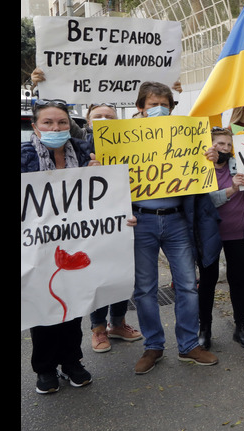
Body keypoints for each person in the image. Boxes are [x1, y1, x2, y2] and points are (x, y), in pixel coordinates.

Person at [129, 82, 221, 374]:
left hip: (178, 219)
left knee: (186, 285)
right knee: (144, 289)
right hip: (140, 220)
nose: (159, 109)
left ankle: (188, 345)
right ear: (141, 108)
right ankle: (153, 346)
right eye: (153, 104)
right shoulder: (125, 140)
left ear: (171, 108)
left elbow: (203, 178)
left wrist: (211, 160)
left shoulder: (187, 136)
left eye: (165, 105)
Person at [23, 99, 101, 393]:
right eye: (48, 123)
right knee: (43, 306)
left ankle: (71, 362)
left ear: (71, 127)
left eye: (62, 123)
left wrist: (100, 173)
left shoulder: (84, 153)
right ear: (35, 126)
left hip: (77, 239)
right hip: (38, 245)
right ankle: (44, 368)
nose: (55, 128)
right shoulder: (24, 156)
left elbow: (106, 194)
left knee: (72, 303)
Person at [83, 103, 143, 353]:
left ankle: (118, 323)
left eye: (109, 116)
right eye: (98, 117)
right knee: (97, 275)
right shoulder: (79, 148)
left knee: (121, 273)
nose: (104, 120)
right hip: (91, 225)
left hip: (124, 220)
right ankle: (98, 329)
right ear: (88, 122)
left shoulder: (129, 145)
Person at [198, 127, 244, 350]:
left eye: (229, 145)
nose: (225, 148)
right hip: (210, 234)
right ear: (210, 145)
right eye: (220, 144)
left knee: (238, 281)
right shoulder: (199, 168)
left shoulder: (240, 163)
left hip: (239, 232)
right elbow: (204, 202)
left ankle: (240, 327)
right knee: (207, 281)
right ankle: (205, 329)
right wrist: (231, 190)